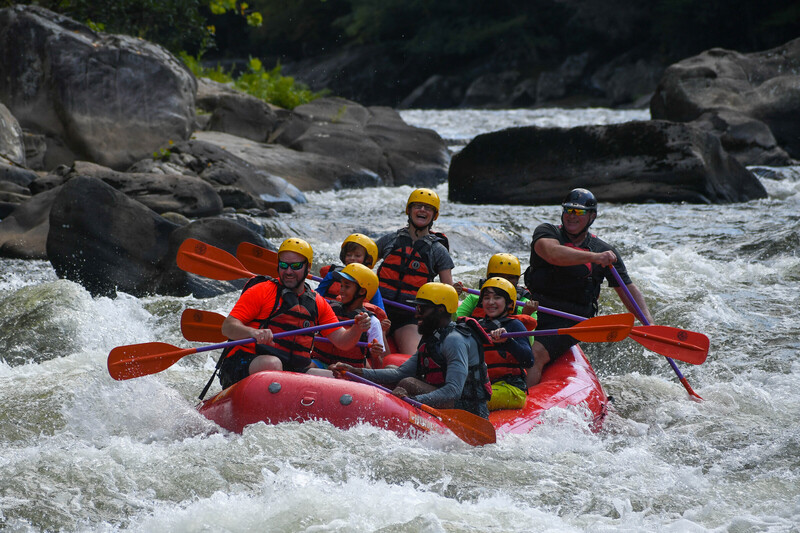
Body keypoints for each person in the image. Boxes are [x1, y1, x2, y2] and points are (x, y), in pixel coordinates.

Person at [523, 188, 654, 386]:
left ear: (592, 216)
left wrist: (649, 324)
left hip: (570, 319)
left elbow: (627, 289)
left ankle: (521, 406)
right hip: (534, 309)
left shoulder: (605, 251)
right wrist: (594, 258)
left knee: (535, 353)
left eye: (579, 212)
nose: (571, 216)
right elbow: (553, 254)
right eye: (568, 210)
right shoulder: (547, 232)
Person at [218, 237, 371, 388]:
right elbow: (228, 327)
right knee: (273, 363)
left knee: (338, 379)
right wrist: (253, 332)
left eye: (296, 266)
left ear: (308, 267)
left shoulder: (317, 302)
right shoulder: (261, 291)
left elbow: (342, 342)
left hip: (292, 368)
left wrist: (357, 329)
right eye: (284, 265)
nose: (288, 271)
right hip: (247, 364)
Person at [330, 282, 492, 419]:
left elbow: (453, 390)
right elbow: (399, 373)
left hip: (468, 409)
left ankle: (391, 414)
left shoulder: (454, 340)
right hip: (445, 397)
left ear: (441, 310)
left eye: (423, 308)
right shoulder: (433, 336)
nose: (417, 313)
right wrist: (356, 372)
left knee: (407, 383)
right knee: (391, 370)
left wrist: (412, 399)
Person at [375, 188, 456, 354]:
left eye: (428, 208)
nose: (422, 210)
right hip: (379, 307)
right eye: (418, 206)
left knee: (412, 356)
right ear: (409, 210)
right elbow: (362, 267)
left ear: (434, 215)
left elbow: (448, 290)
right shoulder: (389, 240)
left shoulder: (438, 250)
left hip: (410, 316)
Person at [308, 263, 389, 374]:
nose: (341, 290)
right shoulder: (329, 309)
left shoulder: (372, 322)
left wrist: (375, 356)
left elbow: (378, 367)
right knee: (307, 365)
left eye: (347, 286)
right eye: (341, 286)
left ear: (362, 291)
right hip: (319, 363)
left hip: (349, 370)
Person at [473, 277, 534, 410]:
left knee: (471, 401)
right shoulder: (476, 326)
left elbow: (529, 361)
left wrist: (507, 342)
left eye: (497, 298)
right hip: (484, 386)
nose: (491, 302)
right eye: (486, 298)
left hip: (511, 389)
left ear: (509, 303)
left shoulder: (514, 325)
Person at [316, 233, 386, 312]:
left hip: (353, 321)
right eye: (349, 255)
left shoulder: (370, 283)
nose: (352, 258)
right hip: (328, 317)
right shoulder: (332, 275)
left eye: (357, 256)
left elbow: (380, 310)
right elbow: (316, 296)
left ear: (368, 259)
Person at [456, 253, 538, 319]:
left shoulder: (525, 305)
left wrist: (526, 316)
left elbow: (527, 339)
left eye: (510, 278)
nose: (503, 282)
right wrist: (452, 297)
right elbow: (453, 322)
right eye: (499, 277)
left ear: (517, 280)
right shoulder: (475, 296)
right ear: (489, 278)